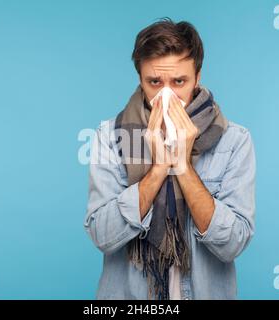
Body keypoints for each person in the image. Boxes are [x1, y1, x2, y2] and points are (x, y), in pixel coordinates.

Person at [84, 18, 256, 300]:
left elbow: (233, 243)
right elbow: (102, 235)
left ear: (198, 77)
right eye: (155, 82)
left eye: (179, 81)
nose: (167, 96)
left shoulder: (234, 140)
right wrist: (159, 167)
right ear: (140, 79)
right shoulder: (109, 136)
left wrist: (183, 165)